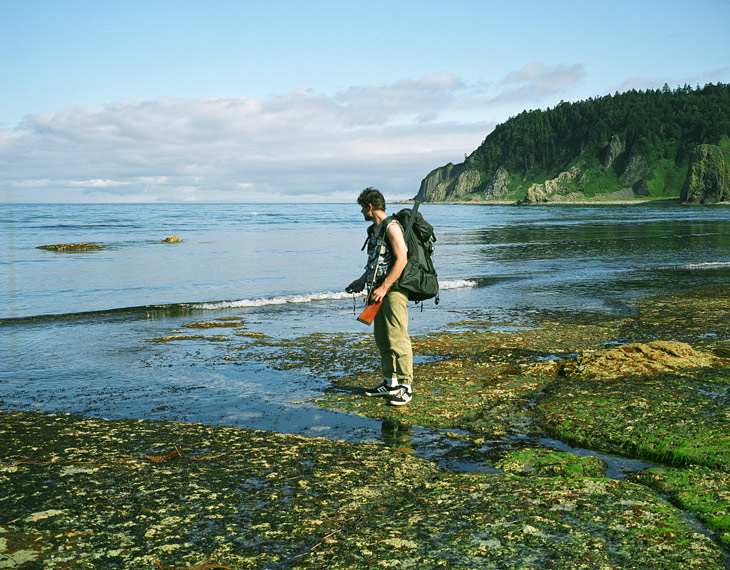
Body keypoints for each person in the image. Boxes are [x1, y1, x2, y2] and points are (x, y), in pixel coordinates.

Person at [347, 188, 413, 406]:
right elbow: (376, 262)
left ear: (370, 207)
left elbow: (402, 259)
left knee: (398, 337)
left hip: (392, 290)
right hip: (377, 290)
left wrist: (385, 287)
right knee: (382, 338)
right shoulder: (372, 230)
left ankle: (406, 387)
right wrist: (361, 280)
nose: (361, 212)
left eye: (362, 208)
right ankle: (390, 382)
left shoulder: (391, 227)